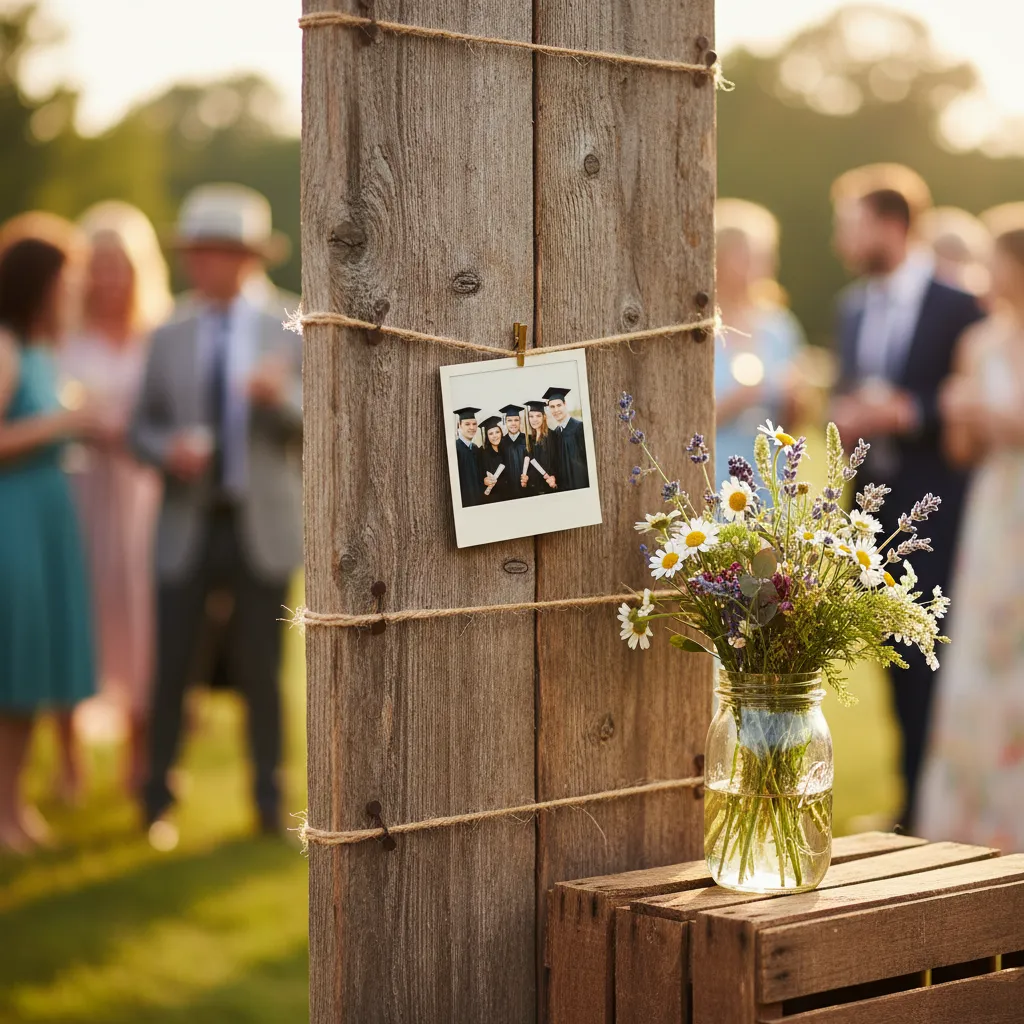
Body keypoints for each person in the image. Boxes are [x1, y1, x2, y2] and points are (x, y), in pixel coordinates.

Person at [131, 184, 302, 840]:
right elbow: (140, 426)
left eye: (218, 252)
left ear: (247, 257)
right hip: (186, 524)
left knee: (263, 671)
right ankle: (156, 804)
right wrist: (165, 449)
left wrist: (279, 397)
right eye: (197, 252)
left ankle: (269, 807)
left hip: (263, 526)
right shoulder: (168, 331)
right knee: (172, 666)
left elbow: (319, 423)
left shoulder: (291, 323)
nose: (204, 264)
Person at [829, 164, 984, 830]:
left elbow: (964, 400)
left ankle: (930, 810)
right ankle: (909, 798)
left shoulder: (958, 305)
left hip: (944, 515)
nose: (843, 240)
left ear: (892, 225)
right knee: (891, 657)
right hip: (872, 516)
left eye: (851, 224)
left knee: (936, 661)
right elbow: (844, 389)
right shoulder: (851, 307)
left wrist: (906, 412)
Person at [916, 212, 1024, 851]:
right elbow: (959, 449)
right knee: (985, 650)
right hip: (994, 510)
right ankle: (978, 823)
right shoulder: (979, 343)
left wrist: (1006, 419)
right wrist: (969, 418)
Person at [57, 201, 171, 799]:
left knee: (140, 614)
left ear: (136, 269)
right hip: (75, 489)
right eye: (95, 265)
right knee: (76, 607)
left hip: (139, 495)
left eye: (117, 265)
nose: (106, 277)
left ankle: (140, 757)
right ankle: (68, 757)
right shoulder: (62, 336)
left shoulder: (160, 335)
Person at [0, 225, 99, 852]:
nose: (76, 290)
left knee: (30, 670)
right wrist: (65, 421)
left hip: (46, 518)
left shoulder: (41, 349)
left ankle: (13, 809)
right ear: (40, 284)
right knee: (14, 663)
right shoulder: (5, 347)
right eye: (68, 279)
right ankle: (4, 812)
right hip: (14, 521)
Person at [714, 199, 806, 482]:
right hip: (713, 475)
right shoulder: (697, 331)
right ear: (718, 256)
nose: (759, 265)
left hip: (769, 479)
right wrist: (740, 399)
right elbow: (678, 427)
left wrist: (796, 399)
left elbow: (794, 426)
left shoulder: (780, 326)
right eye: (747, 255)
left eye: (765, 255)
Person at [920, 206, 991, 298]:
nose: (948, 267)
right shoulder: (920, 285)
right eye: (945, 255)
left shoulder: (973, 293)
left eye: (955, 257)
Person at [545, 386, 589, 490]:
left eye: (559, 405)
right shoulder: (555, 433)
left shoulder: (579, 427)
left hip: (581, 484)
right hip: (564, 487)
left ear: (565, 405)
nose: (556, 410)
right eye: (552, 407)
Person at [523, 400, 557, 495]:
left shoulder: (552, 436)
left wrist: (554, 477)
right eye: (531, 416)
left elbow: (556, 462)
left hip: (548, 488)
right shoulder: (530, 440)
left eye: (538, 416)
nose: (534, 419)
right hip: (533, 489)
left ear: (544, 417)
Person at [478, 415, 513, 502]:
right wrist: (484, 480)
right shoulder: (481, 453)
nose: (495, 436)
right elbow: (478, 475)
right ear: (487, 436)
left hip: (510, 495)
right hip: (493, 497)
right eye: (491, 433)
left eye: (497, 432)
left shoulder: (507, 449)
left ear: (501, 433)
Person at [453, 406, 483, 507]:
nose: (472, 427)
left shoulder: (475, 449)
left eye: (474, 424)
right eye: (467, 424)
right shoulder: (455, 449)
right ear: (459, 425)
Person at [499, 403, 527, 496]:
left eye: (516, 420)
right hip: (508, 491)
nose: (513, 423)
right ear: (505, 422)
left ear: (520, 421)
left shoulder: (528, 440)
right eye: (510, 420)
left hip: (527, 488)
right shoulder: (501, 443)